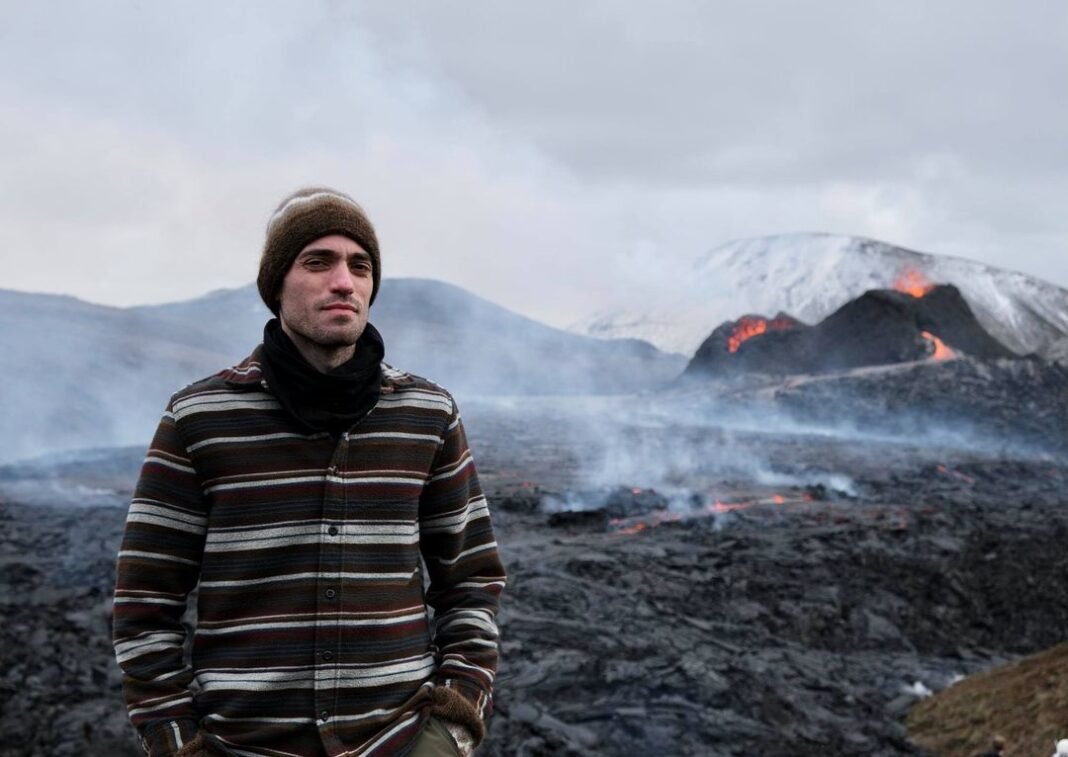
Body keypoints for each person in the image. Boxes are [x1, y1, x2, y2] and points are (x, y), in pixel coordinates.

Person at [113, 187, 507, 757]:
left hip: (399, 744)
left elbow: (471, 583)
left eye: (360, 265)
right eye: (317, 262)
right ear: (276, 285)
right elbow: (145, 601)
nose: (344, 281)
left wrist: (450, 731)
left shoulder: (428, 415)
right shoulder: (199, 418)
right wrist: (176, 743)